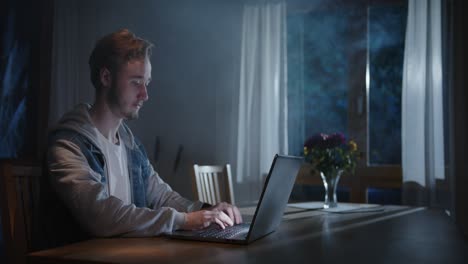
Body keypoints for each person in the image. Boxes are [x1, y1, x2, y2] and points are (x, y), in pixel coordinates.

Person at [46, 29, 242, 239]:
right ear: (106, 77)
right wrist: (184, 220)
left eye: (146, 83)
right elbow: (100, 216)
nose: (145, 95)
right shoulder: (68, 144)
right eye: (136, 82)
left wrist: (208, 210)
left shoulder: (131, 146)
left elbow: (162, 197)